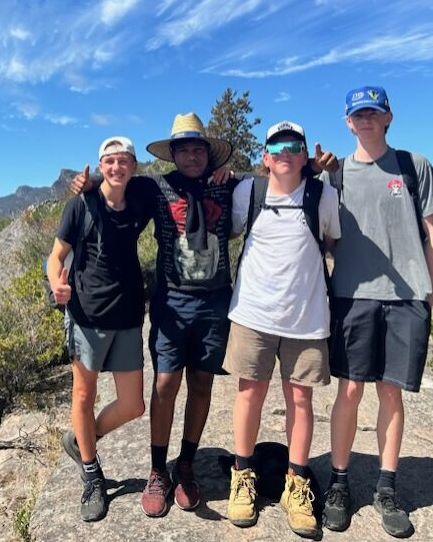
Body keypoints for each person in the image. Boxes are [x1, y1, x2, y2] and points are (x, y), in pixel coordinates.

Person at [71, 113, 338, 518]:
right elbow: (116, 188)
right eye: (184, 149)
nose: (192, 156)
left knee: (201, 384)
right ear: (173, 153)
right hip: (171, 302)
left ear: (208, 154)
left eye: (199, 149)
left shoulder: (230, 184)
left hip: (215, 303)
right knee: (164, 385)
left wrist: (312, 167)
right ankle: (158, 470)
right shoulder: (154, 186)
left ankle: (187, 464)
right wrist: (87, 184)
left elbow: (275, 178)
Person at [321, 86, 433, 538]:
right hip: (352, 294)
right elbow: (330, 238)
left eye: (374, 112)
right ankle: (338, 484)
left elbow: (431, 231)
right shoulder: (336, 176)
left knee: (391, 393)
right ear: (348, 121)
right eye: (359, 114)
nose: (367, 120)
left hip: (406, 296)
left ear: (388, 117)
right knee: (350, 391)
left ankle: (386, 488)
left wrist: (429, 286)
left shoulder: (414, 166)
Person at [223, 121, 340, 538]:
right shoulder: (246, 193)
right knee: (249, 393)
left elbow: (334, 244)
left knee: (301, 399)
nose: (286, 151)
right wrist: (223, 175)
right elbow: (229, 228)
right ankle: (242, 476)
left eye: (295, 145)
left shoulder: (323, 195)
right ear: (266, 156)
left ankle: (297, 481)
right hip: (253, 313)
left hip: (306, 319)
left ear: (305, 155)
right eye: (277, 145)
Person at [48, 136, 152, 522]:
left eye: (123, 160)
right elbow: (57, 255)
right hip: (86, 315)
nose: (116, 167)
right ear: (100, 165)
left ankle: (79, 440)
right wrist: (54, 284)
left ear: (134, 166)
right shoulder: (82, 204)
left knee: (132, 405)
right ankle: (92, 474)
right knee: (84, 394)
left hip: (126, 315)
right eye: (109, 161)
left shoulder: (141, 196)